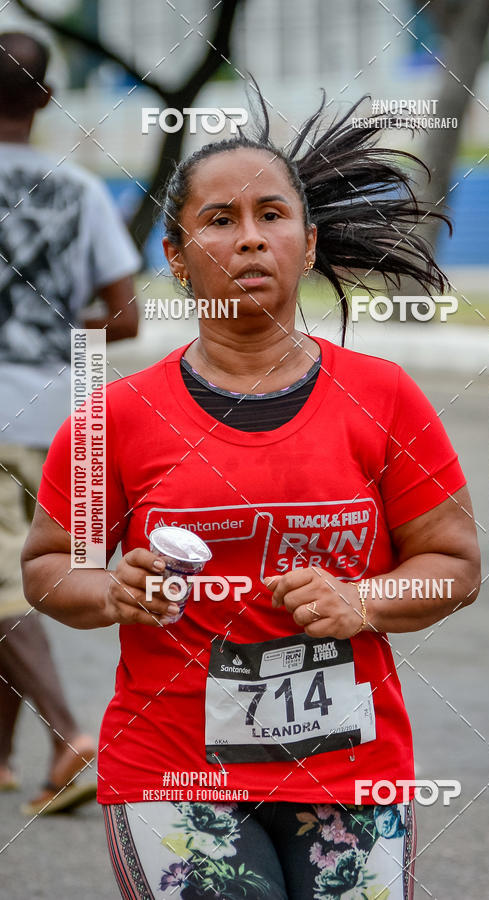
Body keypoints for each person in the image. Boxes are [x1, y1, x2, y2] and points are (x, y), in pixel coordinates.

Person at [22, 89, 480, 898]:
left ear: (307, 245)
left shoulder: (384, 398)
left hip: (351, 771)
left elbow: (454, 563)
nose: (249, 239)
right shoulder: (115, 420)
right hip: (175, 769)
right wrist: (114, 589)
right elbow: (49, 568)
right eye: (220, 220)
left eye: (272, 216)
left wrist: (364, 602)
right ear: (175, 251)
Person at [0, 31, 140, 814]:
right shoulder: (80, 189)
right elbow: (125, 318)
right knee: (13, 578)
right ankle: (7, 760)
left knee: (5, 590)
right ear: (48, 99)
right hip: (59, 415)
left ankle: (67, 737)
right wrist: (49, 329)